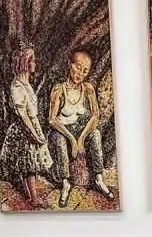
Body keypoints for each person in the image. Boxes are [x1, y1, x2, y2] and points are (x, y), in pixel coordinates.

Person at [47, 50, 112, 208]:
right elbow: (52, 119)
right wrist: (72, 139)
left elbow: (95, 116)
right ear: (69, 64)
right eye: (78, 67)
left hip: (80, 130)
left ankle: (99, 178)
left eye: (85, 70)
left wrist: (81, 139)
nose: (80, 73)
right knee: (59, 139)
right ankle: (65, 183)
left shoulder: (88, 89)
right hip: (62, 130)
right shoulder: (58, 90)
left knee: (95, 133)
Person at [0, 46, 53, 206]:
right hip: (24, 130)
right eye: (32, 61)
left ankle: (31, 196)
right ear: (25, 63)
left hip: (32, 125)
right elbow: (23, 116)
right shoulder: (17, 87)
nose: (35, 63)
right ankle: (34, 198)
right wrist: (35, 135)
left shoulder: (26, 83)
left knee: (30, 164)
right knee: (29, 165)